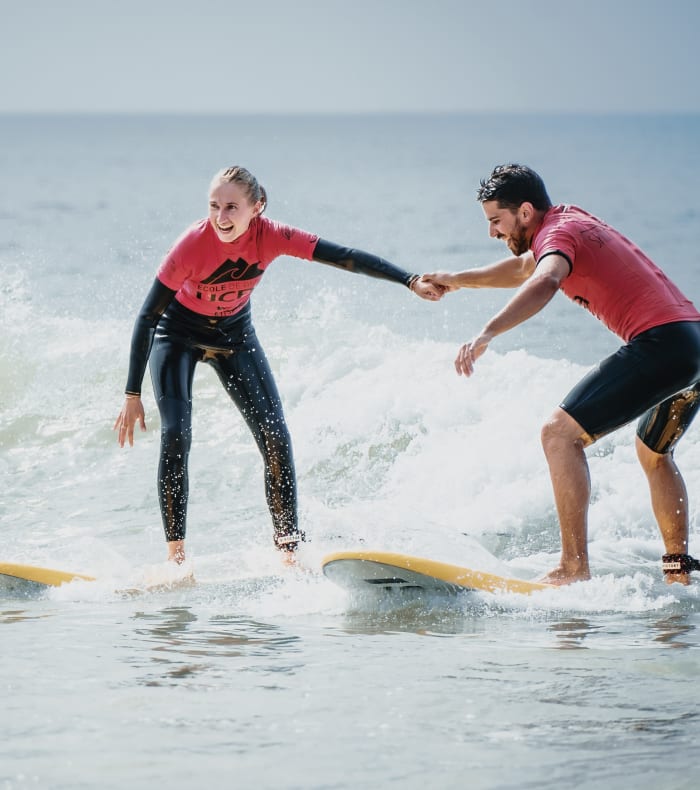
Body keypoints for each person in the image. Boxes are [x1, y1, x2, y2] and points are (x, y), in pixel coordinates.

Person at [114, 165, 443, 565]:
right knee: (177, 434)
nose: (221, 217)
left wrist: (409, 280)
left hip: (235, 336)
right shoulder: (192, 245)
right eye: (214, 206)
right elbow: (148, 317)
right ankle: (176, 559)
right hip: (177, 334)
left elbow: (346, 258)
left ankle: (288, 550)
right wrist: (132, 393)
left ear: (257, 207)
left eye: (232, 207)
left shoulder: (272, 235)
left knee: (274, 433)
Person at [424, 163, 700, 586]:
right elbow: (525, 269)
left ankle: (574, 567)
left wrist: (487, 333)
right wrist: (457, 280)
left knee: (558, 434)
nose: (492, 234)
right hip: (691, 346)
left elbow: (546, 279)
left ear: (525, 212)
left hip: (661, 344)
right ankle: (678, 572)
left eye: (496, 221)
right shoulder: (567, 222)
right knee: (653, 452)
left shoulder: (558, 235)